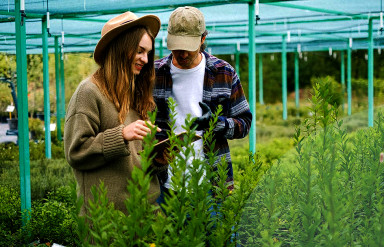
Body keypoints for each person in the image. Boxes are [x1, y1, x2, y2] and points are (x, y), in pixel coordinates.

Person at [64, 11, 162, 215]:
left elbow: (137, 160)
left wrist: (159, 158)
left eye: (148, 53)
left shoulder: (138, 95)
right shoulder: (89, 92)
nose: (145, 59)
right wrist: (121, 135)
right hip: (107, 221)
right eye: (139, 51)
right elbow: (76, 152)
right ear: (121, 47)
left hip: (145, 215)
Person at [153, 6, 252, 198]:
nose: (182, 54)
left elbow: (245, 124)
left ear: (203, 39)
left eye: (188, 48)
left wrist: (217, 123)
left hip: (211, 184)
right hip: (163, 184)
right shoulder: (154, 73)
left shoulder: (224, 73)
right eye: (177, 47)